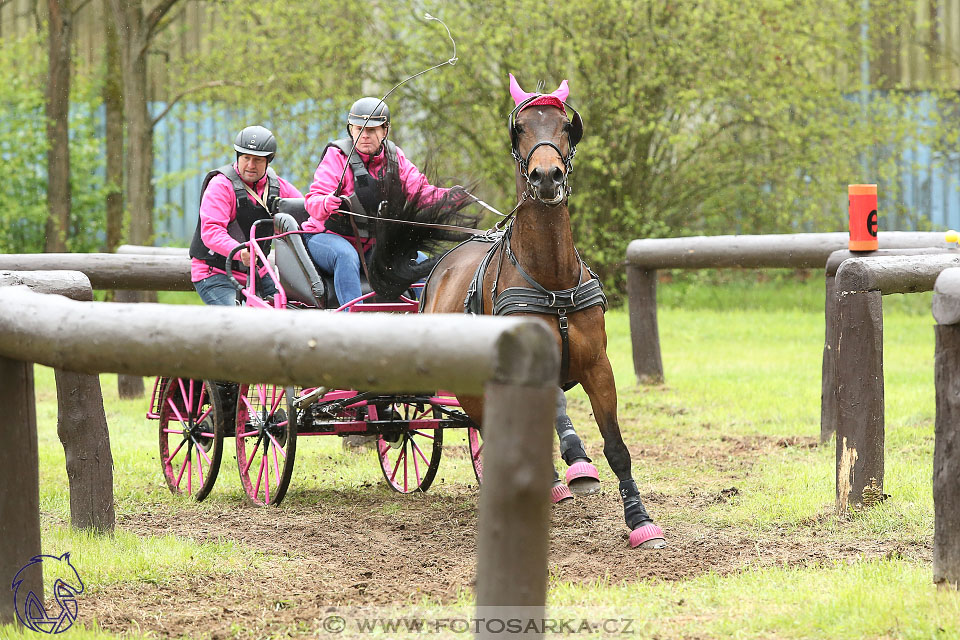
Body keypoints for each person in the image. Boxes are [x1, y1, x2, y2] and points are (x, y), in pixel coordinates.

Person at [302, 97, 450, 305]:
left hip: (372, 243)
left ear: (385, 131)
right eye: (359, 128)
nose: (365, 135)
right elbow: (313, 202)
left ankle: (427, 317)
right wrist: (327, 202)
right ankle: (354, 325)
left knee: (421, 262)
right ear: (351, 130)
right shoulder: (336, 157)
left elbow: (421, 192)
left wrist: (448, 197)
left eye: (372, 129)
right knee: (346, 256)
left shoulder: (395, 157)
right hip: (326, 236)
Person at [189, 125, 303, 306]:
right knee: (240, 321)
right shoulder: (221, 185)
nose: (250, 165)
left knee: (292, 311)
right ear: (237, 157)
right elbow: (211, 232)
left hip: (259, 272)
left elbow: (305, 215)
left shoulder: (278, 187)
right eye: (246, 158)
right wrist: (240, 251)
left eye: (257, 160)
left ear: (268, 161)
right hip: (215, 273)